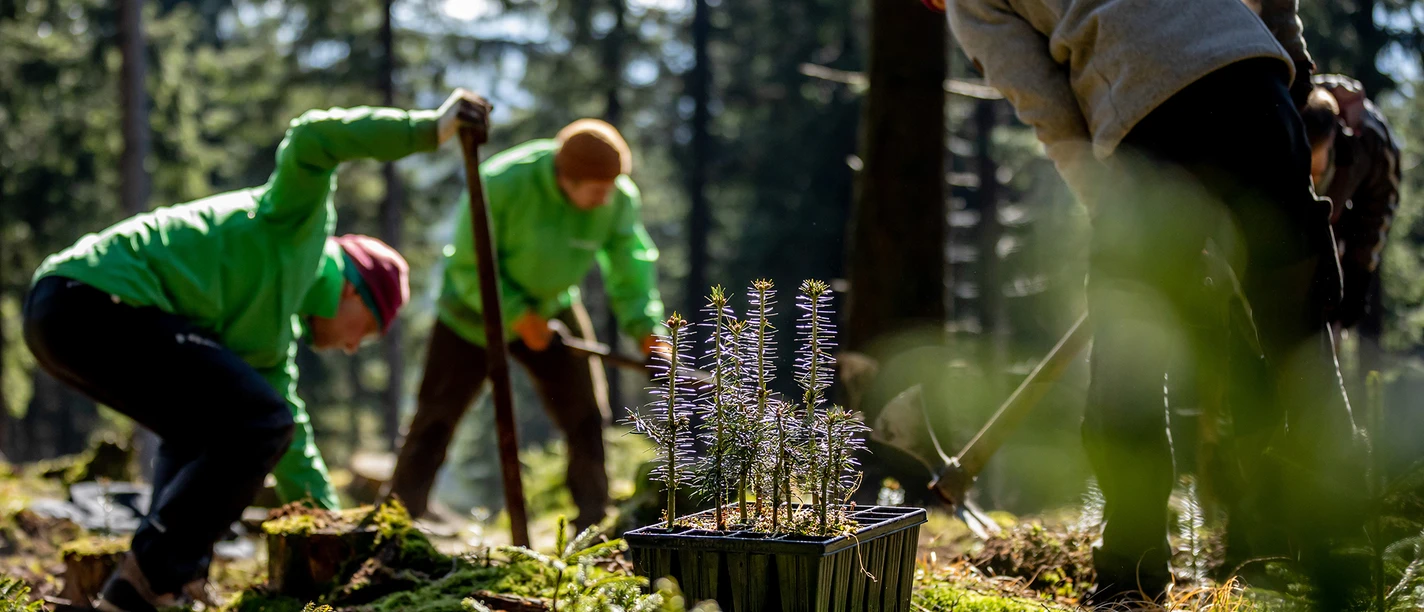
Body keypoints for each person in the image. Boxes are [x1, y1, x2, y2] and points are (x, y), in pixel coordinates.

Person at [944, 0, 1361, 605]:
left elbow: (1044, 103)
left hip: (1147, 127)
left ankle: (1130, 579)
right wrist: (1290, 79)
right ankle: (1349, 561)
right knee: (1298, 342)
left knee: (1128, 374)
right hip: (1256, 87)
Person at [22, 89, 491, 612]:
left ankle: (167, 586)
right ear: (354, 290)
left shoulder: (267, 343)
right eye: (365, 331)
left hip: (59, 316)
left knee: (209, 428)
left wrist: (340, 538)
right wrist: (428, 130)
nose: (352, 347)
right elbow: (314, 138)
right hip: (90, 299)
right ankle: (145, 584)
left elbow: (294, 448)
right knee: (257, 422)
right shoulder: (300, 225)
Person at [388, 119, 665, 532]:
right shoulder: (502, 183)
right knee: (435, 419)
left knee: (586, 415)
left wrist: (648, 332)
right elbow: (466, 266)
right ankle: (397, 523)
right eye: (597, 191)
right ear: (565, 178)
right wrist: (518, 316)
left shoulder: (617, 196)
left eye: (612, 188)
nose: (607, 199)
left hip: (553, 307)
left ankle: (593, 524)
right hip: (470, 314)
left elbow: (631, 267)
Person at [1300, 76, 1401, 339]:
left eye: (1317, 173)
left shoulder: (1371, 143)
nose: (1313, 181)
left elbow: (1379, 210)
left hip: (1348, 216)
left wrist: (1359, 272)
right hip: (1302, 222)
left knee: (1337, 306)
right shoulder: (1281, 122)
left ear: (1332, 140)